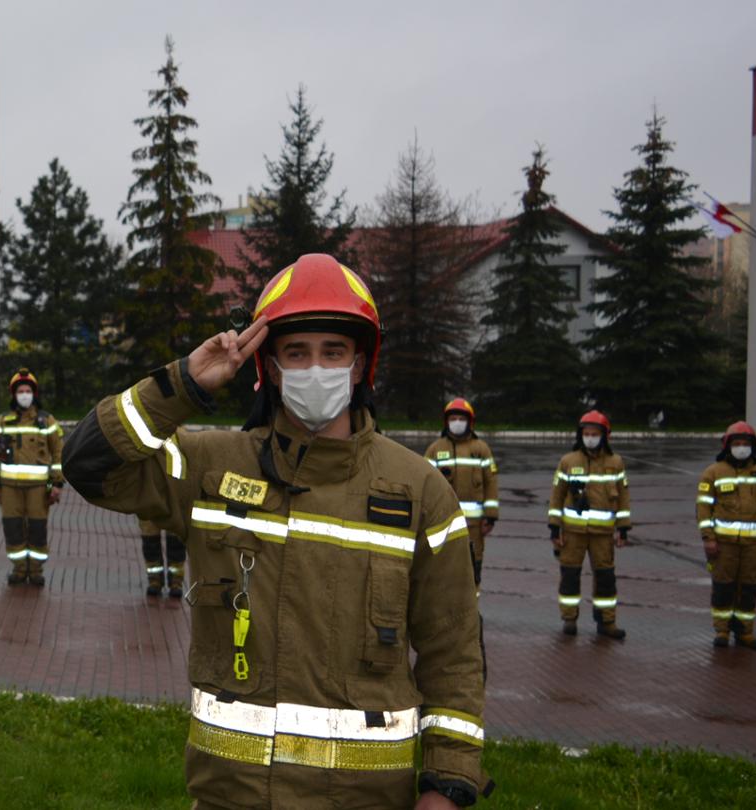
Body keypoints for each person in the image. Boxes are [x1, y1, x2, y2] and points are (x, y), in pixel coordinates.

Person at [63, 254, 488, 809]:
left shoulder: (420, 491)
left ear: (359, 365)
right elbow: (89, 465)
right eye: (297, 352)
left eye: (333, 352)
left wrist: (447, 787)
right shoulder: (209, 468)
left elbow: (453, 651)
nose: (317, 369)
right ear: (270, 366)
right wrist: (185, 385)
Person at [548, 411, 631, 640]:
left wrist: (623, 528)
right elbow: (557, 496)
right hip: (572, 533)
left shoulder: (615, 463)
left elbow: (623, 497)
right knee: (570, 576)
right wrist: (554, 528)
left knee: (605, 578)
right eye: (586, 434)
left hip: (603, 535)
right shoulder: (568, 461)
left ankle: (607, 622)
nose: (591, 438)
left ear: (605, 436)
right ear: (580, 435)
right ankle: (569, 619)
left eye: (595, 434)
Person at [695, 421, 756, 650]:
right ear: (727, 446)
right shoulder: (713, 473)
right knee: (723, 587)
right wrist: (708, 538)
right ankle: (722, 631)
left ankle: (745, 633)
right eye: (737, 443)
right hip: (723, 545)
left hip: (752, 546)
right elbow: (703, 509)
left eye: (746, 444)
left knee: (749, 588)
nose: (742, 447)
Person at [0, 368, 65, 587]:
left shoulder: (47, 422)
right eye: (20, 391)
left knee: (38, 528)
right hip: (8, 488)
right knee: (12, 528)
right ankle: (19, 569)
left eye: (27, 390)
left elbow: (58, 455)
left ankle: (36, 570)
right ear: (14, 394)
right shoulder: (3, 422)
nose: (24, 394)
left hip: (41, 487)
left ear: (34, 393)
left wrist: (55, 484)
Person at [424, 398, 499, 585]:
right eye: (453, 418)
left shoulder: (481, 449)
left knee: (473, 568)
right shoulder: (435, 449)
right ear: (446, 422)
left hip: (474, 524)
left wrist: (490, 516)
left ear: (470, 422)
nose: (457, 423)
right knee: (441, 568)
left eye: (461, 419)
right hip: (441, 523)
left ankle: (471, 612)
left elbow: (491, 482)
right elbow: (423, 484)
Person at [138, 517, 186, 599]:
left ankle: (176, 582)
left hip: (175, 506)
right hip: (149, 507)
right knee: (150, 541)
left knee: (176, 542)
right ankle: (154, 580)